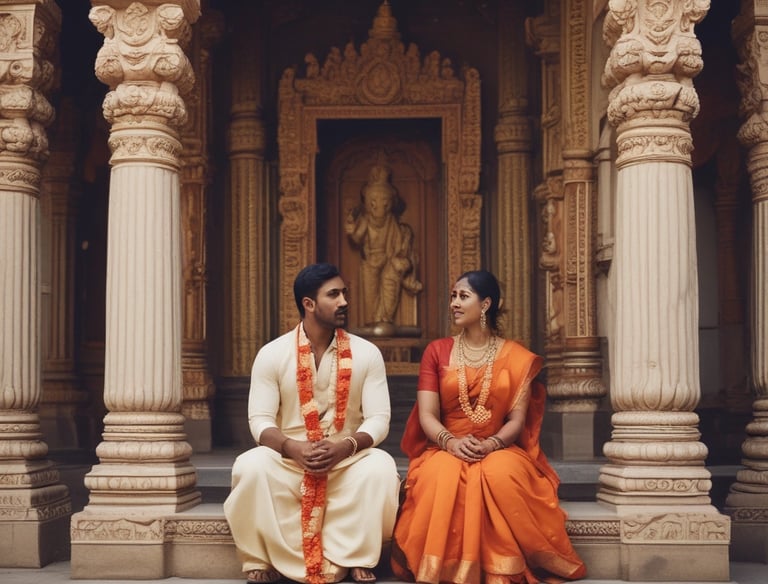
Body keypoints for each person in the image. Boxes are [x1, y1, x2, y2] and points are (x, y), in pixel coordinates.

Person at [390, 270, 587, 584]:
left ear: (485, 305)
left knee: (500, 475)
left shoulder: (517, 357)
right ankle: (448, 568)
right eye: (453, 296)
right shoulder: (437, 351)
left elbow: (517, 421)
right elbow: (427, 414)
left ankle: (502, 566)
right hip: (445, 445)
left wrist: (492, 444)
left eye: (463, 296)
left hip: (499, 444)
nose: (454, 303)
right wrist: (450, 442)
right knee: (441, 476)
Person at [224, 263, 400, 584]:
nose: (344, 301)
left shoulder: (367, 353)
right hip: (289, 460)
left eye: (344, 293)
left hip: (346, 459)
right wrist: (292, 447)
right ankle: (259, 557)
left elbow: (379, 418)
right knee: (250, 467)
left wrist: (345, 446)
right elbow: (259, 419)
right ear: (309, 304)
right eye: (333, 295)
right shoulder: (271, 354)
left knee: (381, 468)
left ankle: (358, 556)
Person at [345, 159, 422, 334]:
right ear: (369, 203)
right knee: (370, 295)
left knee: (389, 289)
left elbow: (400, 245)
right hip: (370, 261)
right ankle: (373, 322)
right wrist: (351, 231)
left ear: (390, 204)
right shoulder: (365, 221)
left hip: (389, 260)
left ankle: (385, 320)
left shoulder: (393, 223)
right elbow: (357, 238)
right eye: (375, 202)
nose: (380, 207)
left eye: (385, 202)